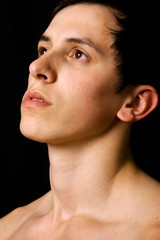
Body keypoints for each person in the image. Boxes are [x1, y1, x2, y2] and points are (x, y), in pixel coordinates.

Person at [1, 0, 160, 239]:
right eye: (44, 50)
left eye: (78, 54)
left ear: (135, 103)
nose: (37, 67)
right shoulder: (8, 228)